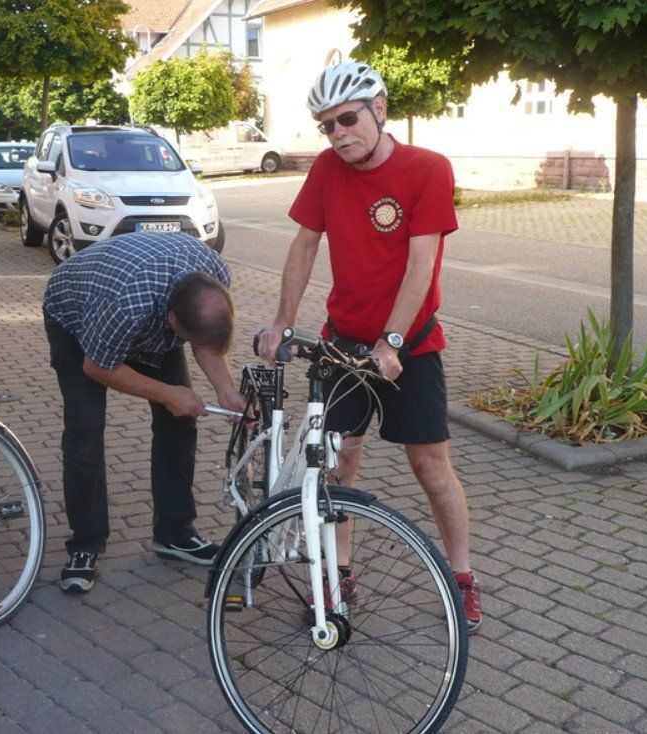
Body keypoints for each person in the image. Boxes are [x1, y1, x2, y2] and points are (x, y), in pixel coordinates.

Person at [257, 61, 482, 634]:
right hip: (343, 344)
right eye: (327, 125)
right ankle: (339, 573)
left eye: (347, 119)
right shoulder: (327, 169)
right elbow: (305, 245)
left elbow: (421, 263)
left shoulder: (427, 168)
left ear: (379, 109)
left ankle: (461, 575)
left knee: (430, 466)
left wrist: (392, 341)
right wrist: (283, 323)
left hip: (412, 346)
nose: (337, 134)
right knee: (338, 461)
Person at [44, 232, 247, 593]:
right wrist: (167, 393)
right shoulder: (125, 303)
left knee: (179, 421)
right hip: (76, 316)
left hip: (145, 304)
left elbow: (206, 344)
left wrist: (227, 391)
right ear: (173, 321)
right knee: (85, 432)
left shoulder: (215, 274)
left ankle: (174, 533)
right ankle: (85, 544)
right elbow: (98, 367)